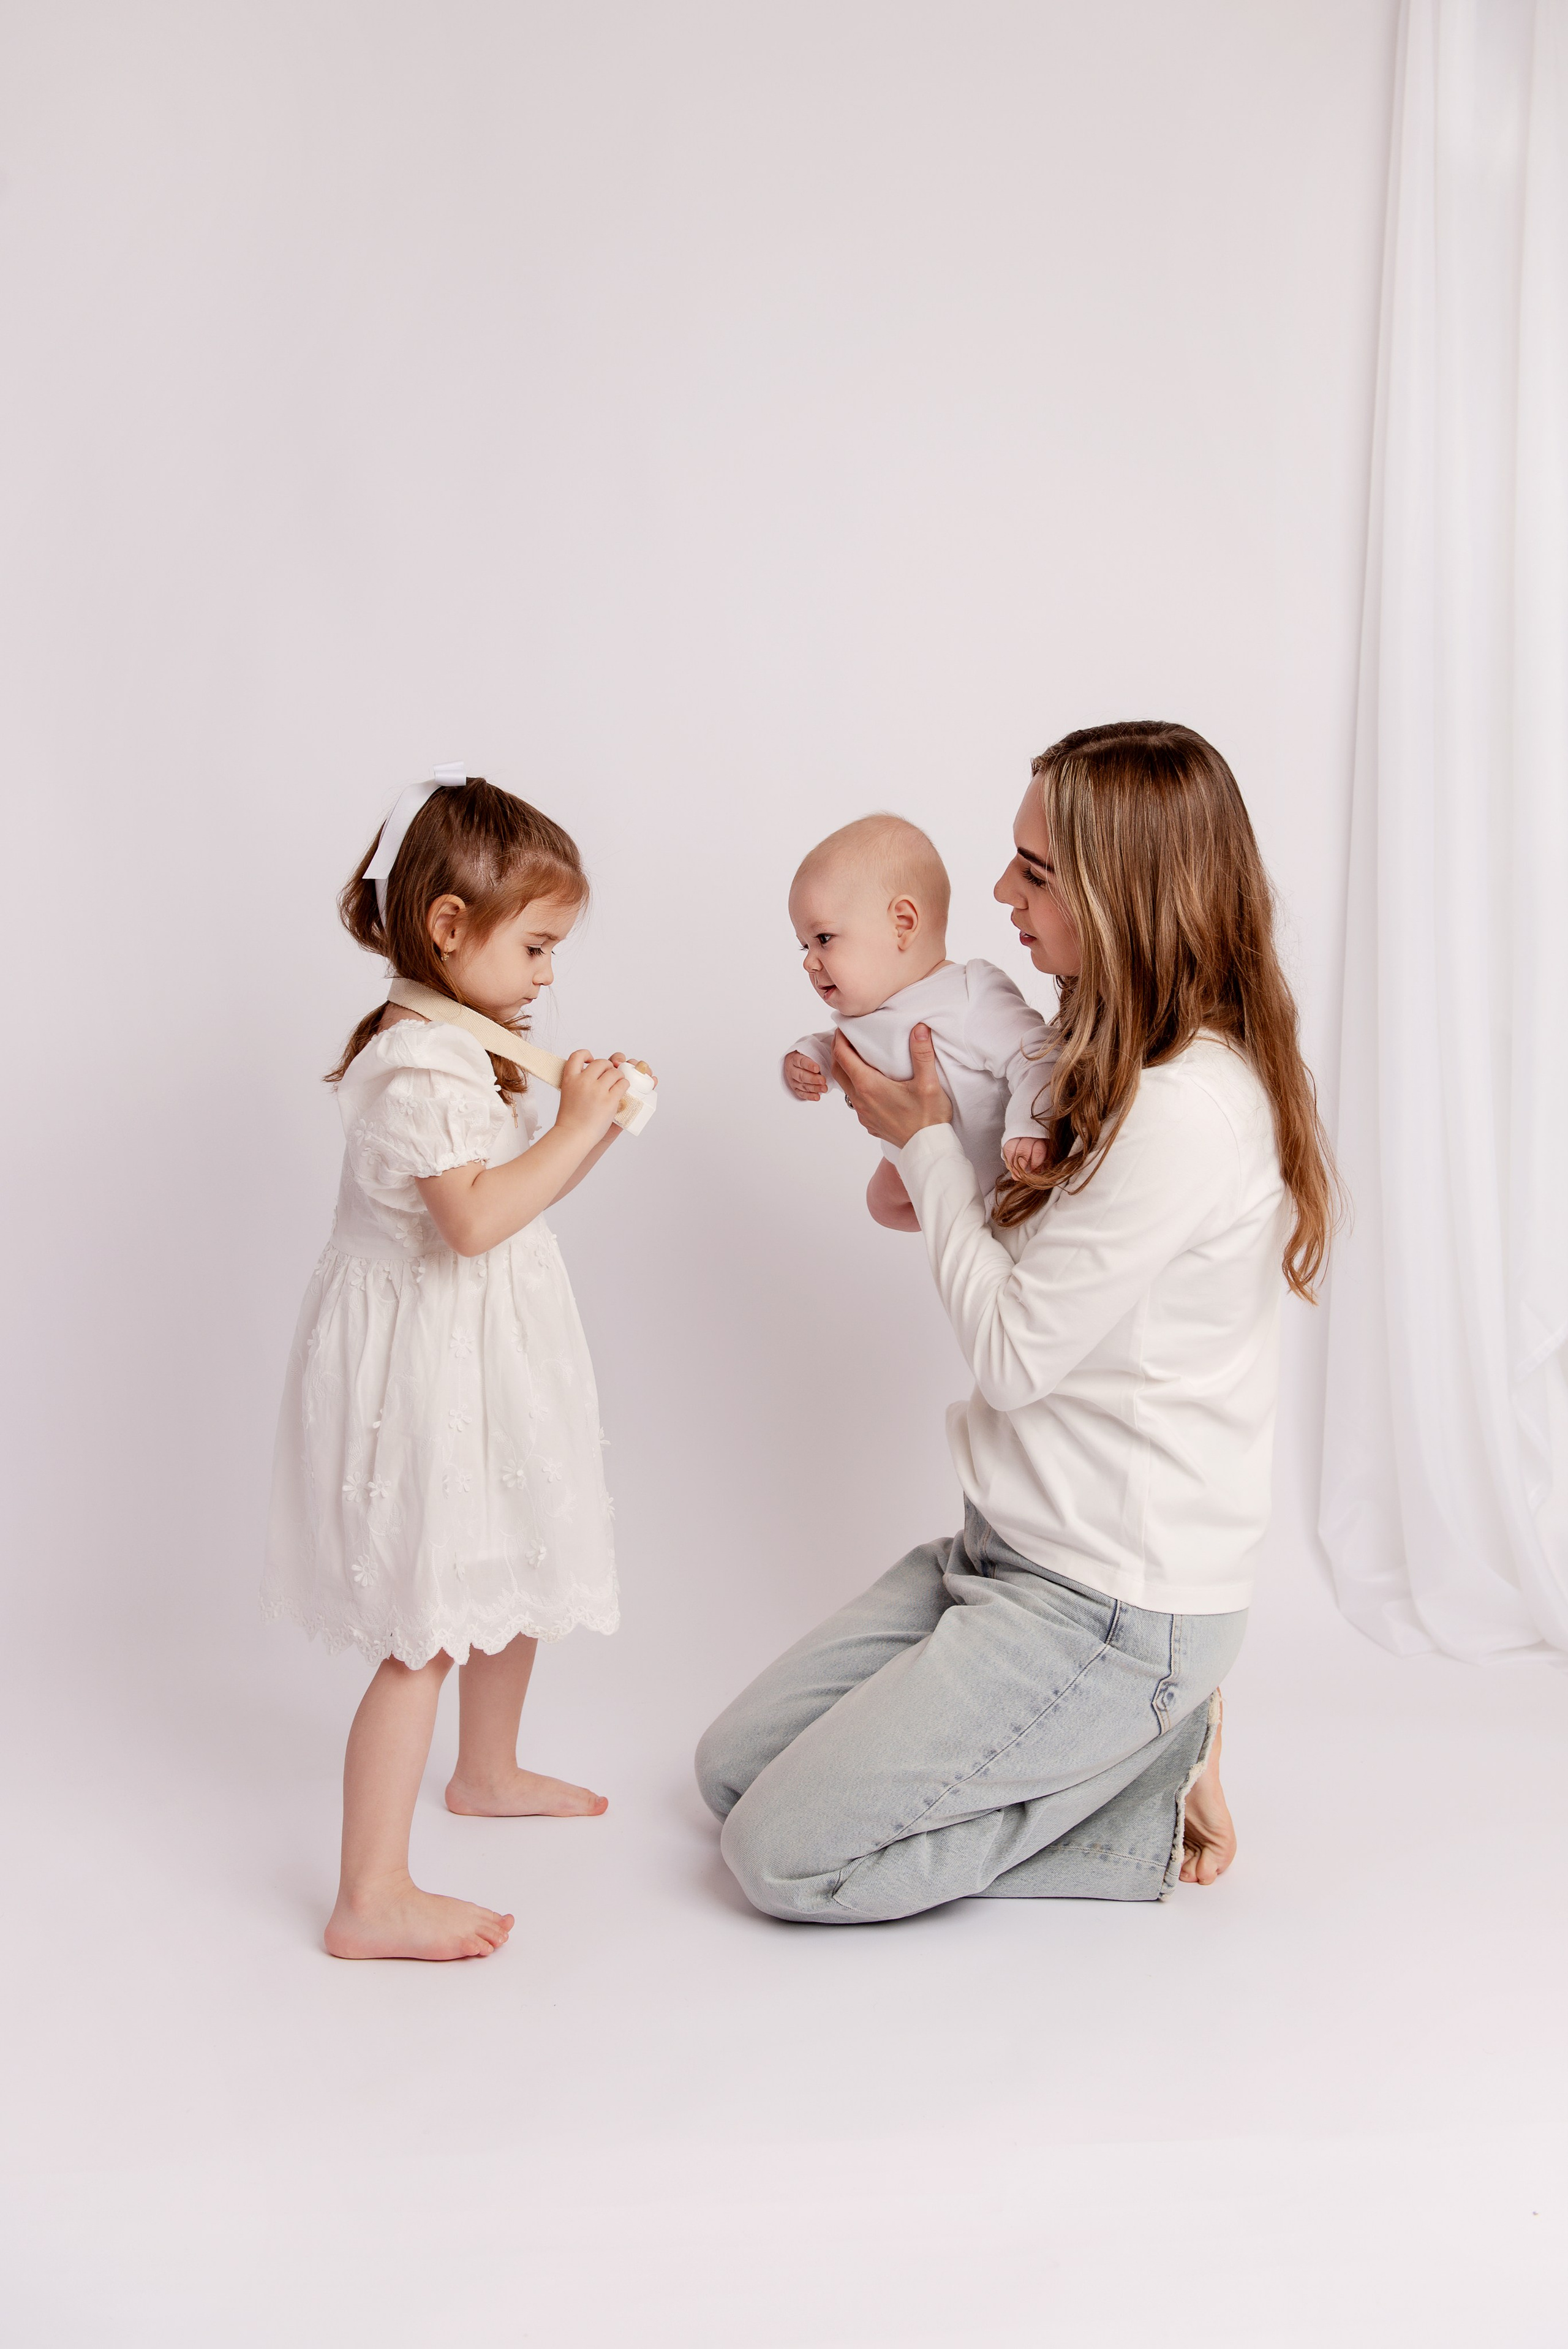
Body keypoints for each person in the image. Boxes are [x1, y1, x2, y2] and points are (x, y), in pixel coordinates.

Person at [697, 721, 1338, 1921]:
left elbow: (1011, 1354)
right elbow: (996, 1234)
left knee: (781, 1856)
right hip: (998, 1550)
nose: (997, 897)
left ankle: (1144, 1771)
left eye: (1032, 873)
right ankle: (1096, 1748)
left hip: (1106, 1607)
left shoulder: (1184, 1110)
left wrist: (923, 1137)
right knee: (728, 1774)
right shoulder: (1089, 1059)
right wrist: (939, 1150)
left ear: (1123, 891)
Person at [264, 774, 650, 1961]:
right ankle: (368, 1891)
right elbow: (474, 1223)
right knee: (426, 1621)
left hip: (484, 1348)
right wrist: (578, 1126)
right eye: (533, 945)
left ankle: (484, 1770)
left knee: (512, 1555)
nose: (545, 973)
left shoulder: (464, 1043)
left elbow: (511, 1206)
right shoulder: (417, 1063)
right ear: (446, 927)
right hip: (425, 1365)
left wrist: (577, 1126)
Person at [781, 813, 1054, 1231]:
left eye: (823, 939)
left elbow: (1038, 1057)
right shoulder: (868, 1013)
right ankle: (961, 1225)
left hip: (1004, 1169)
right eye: (803, 945)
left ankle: (973, 1222)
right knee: (880, 1202)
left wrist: (1030, 1127)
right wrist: (807, 1058)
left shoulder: (969, 994)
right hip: (919, 1162)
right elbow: (840, 1045)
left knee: (1010, 1212)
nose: (809, 961)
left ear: (903, 923)